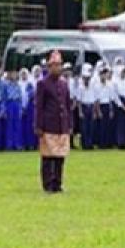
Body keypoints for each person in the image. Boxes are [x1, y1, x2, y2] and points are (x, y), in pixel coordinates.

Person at [34, 51, 73, 193]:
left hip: (61, 125)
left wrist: (69, 125)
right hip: (48, 125)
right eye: (54, 65)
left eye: (59, 65)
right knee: (47, 156)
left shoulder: (64, 84)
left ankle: (57, 183)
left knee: (60, 157)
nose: (57, 68)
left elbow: (67, 106)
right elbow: (39, 106)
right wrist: (38, 125)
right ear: (49, 67)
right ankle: (47, 184)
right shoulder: (42, 84)